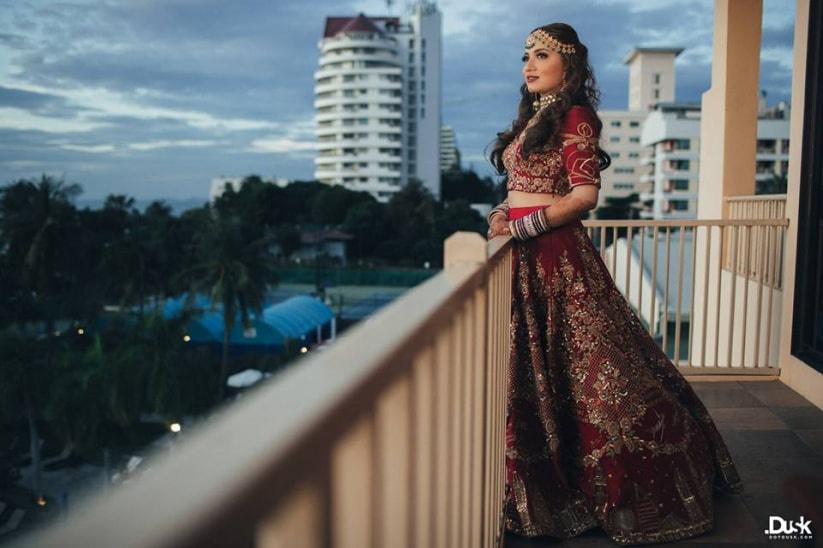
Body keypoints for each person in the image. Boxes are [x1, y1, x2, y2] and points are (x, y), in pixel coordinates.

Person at [485, 23, 744, 545]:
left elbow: (583, 196)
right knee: (540, 372)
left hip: (557, 259)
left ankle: (645, 472)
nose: (528, 65)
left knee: (596, 371)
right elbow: (519, 188)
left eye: (541, 56)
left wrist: (522, 227)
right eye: (525, 57)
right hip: (524, 256)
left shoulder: (576, 116)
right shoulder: (533, 118)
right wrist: (499, 215)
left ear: (570, 65)